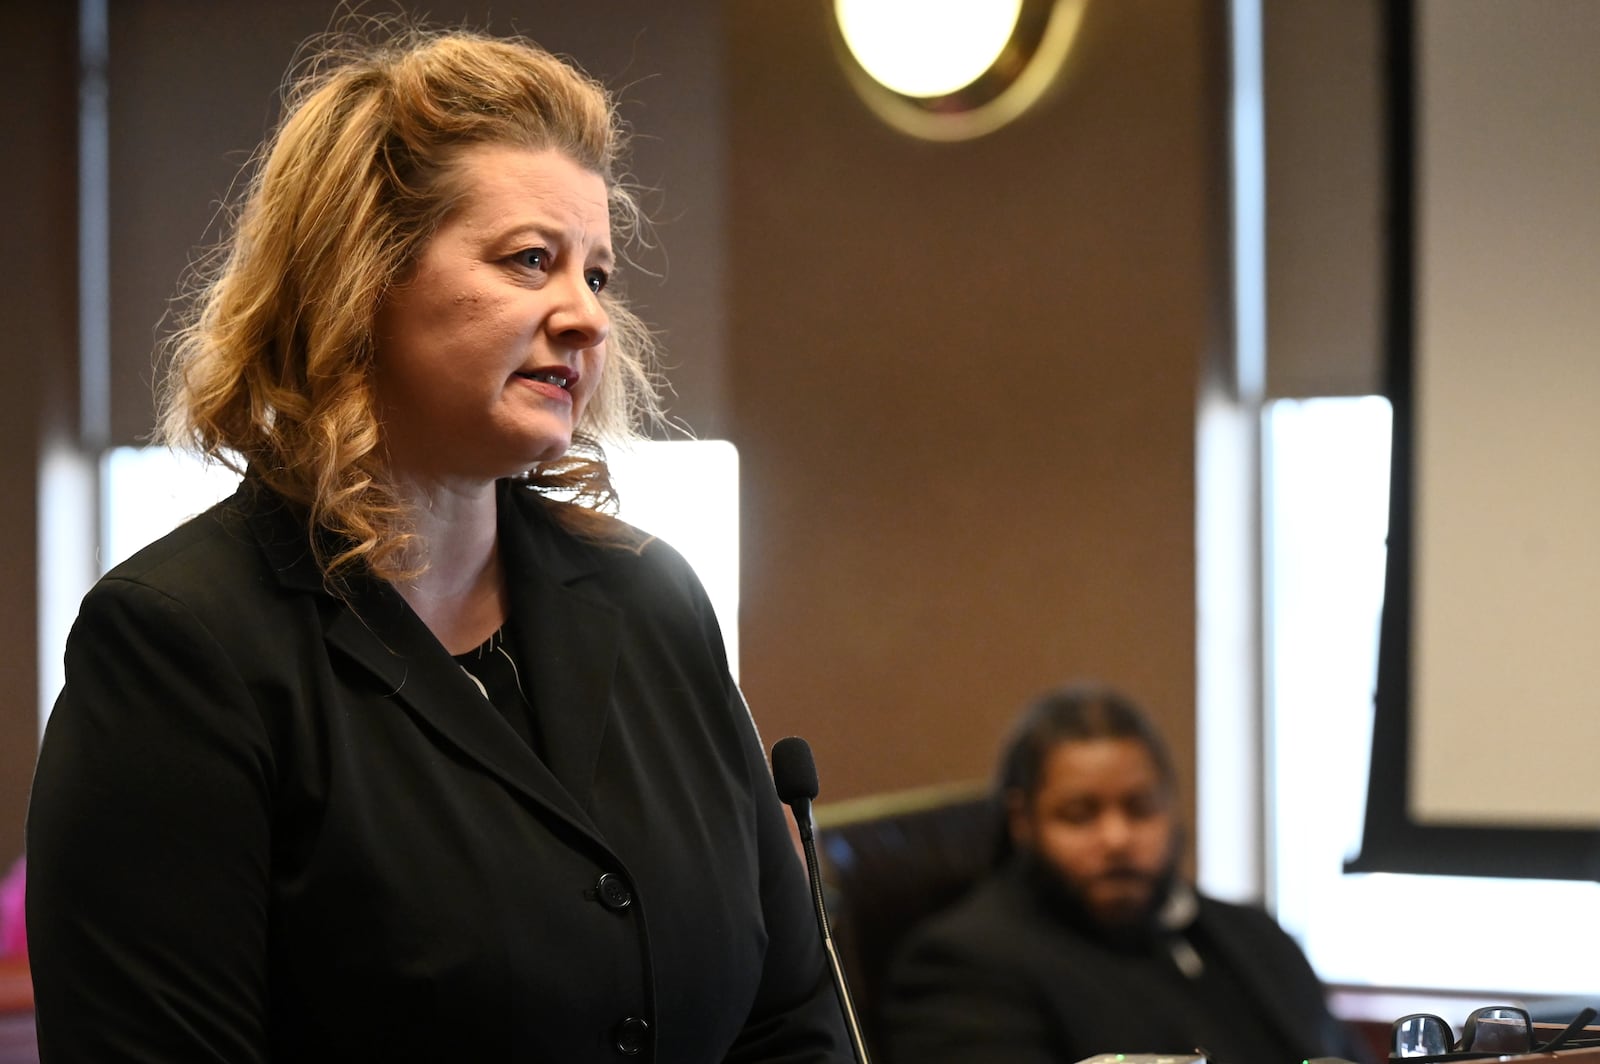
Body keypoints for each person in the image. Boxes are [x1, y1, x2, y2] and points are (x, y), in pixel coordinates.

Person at [25, 23, 847, 1063]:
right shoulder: (183, 647)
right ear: (360, 276)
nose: (587, 317)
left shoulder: (655, 603)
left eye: (596, 274)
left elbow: (788, 1022)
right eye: (530, 261)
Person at [880, 684, 1364, 1064]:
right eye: (1079, 814)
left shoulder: (1252, 934)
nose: (1116, 838)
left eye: (1139, 808)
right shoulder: (964, 967)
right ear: (1023, 823)